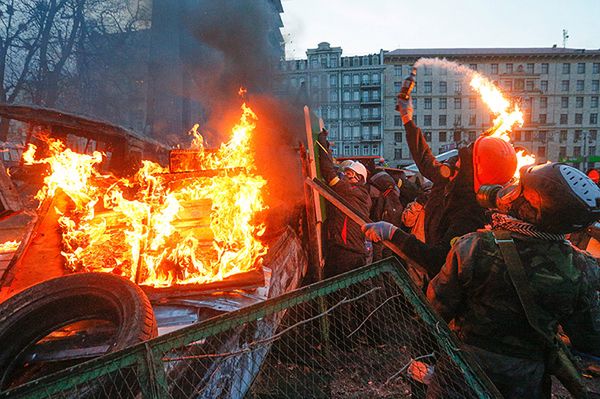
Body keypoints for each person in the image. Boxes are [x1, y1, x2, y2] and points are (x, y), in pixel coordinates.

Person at [426, 162, 600, 398]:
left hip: (463, 370)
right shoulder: (582, 268)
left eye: (519, 188)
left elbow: (437, 306)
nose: (509, 193)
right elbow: (588, 338)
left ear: (536, 205)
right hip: (525, 380)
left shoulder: (474, 246)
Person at [362, 92, 518, 278]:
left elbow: (438, 260)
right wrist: (407, 118)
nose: (452, 167)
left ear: (473, 174)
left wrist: (393, 233)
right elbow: (424, 158)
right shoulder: (452, 181)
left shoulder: (469, 215)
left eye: (461, 164)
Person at [317, 128, 371, 277]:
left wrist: (322, 144)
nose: (344, 177)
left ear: (358, 178)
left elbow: (329, 174)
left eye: (348, 174)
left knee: (339, 293)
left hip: (346, 254)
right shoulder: (360, 194)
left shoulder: (353, 191)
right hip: (350, 252)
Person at [369, 171, 404, 261]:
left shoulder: (378, 195)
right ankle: (387, 274)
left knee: (377, 257)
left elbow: (376, 215)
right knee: (388, 255)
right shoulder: (395, 193)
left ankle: (379, 274)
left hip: (379, 232)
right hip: (391, 231)